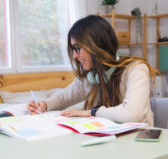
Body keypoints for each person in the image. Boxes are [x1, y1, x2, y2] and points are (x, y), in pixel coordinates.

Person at [27, 15, 159, 126]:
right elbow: (63, 98)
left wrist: (92, 112)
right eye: (73, 50)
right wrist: (44, 105)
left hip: (138, 143)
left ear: (97, 45)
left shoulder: (135, 69)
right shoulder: (90, 77)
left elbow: (132, 114)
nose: (74, 56)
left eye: (77, 48)